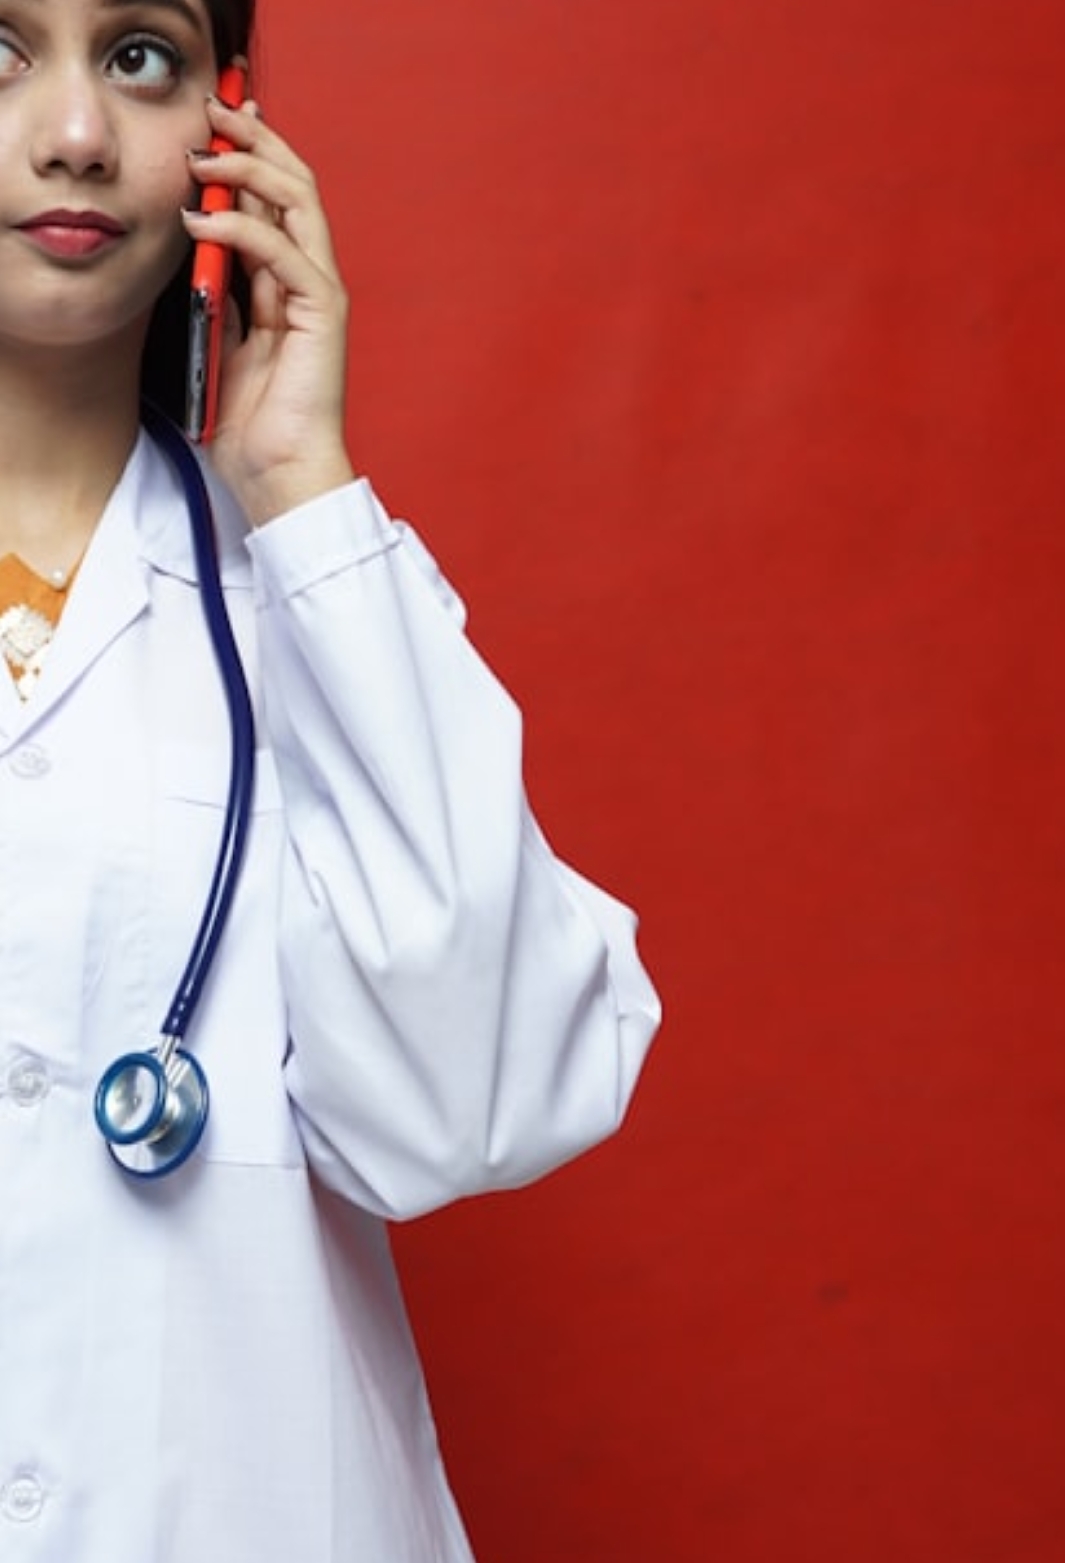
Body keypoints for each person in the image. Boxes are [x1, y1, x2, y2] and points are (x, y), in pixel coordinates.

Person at [0, 0, 660, 1557]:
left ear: (224, 133)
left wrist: (305, 492)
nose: (79, 135)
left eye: (141, 57)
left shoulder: (312, 601)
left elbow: (474, 1106)